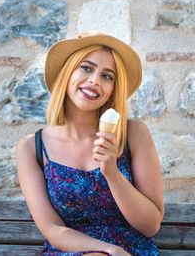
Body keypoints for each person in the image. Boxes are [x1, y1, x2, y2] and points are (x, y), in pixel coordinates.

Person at [16, 31, 164, 256]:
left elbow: (150, 225)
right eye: (86, 68)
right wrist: (108, 251)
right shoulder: (31, 148)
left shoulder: (133, 134)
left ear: (113, 90)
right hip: (71, 250)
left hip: (133, 250)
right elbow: (53, 229)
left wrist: (112, 173)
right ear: (67, 73)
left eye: (107, 76)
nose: (95, 80)